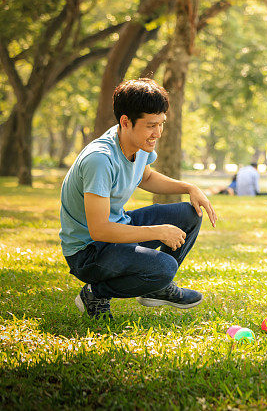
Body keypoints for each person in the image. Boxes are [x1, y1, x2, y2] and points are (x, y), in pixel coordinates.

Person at [59, 78, 217, 319]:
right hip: (89, 251)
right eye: (151, 125)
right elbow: (99, 230)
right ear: (125, 122)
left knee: (188, 214)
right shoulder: (99, 159)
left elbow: (145, 177)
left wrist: (189, 187)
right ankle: (96, 293)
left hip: (118, 227)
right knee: (165, 267)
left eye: (161, 123)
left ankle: (156, 289)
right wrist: (158, 231)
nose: (158, 133)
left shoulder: (138, 143)